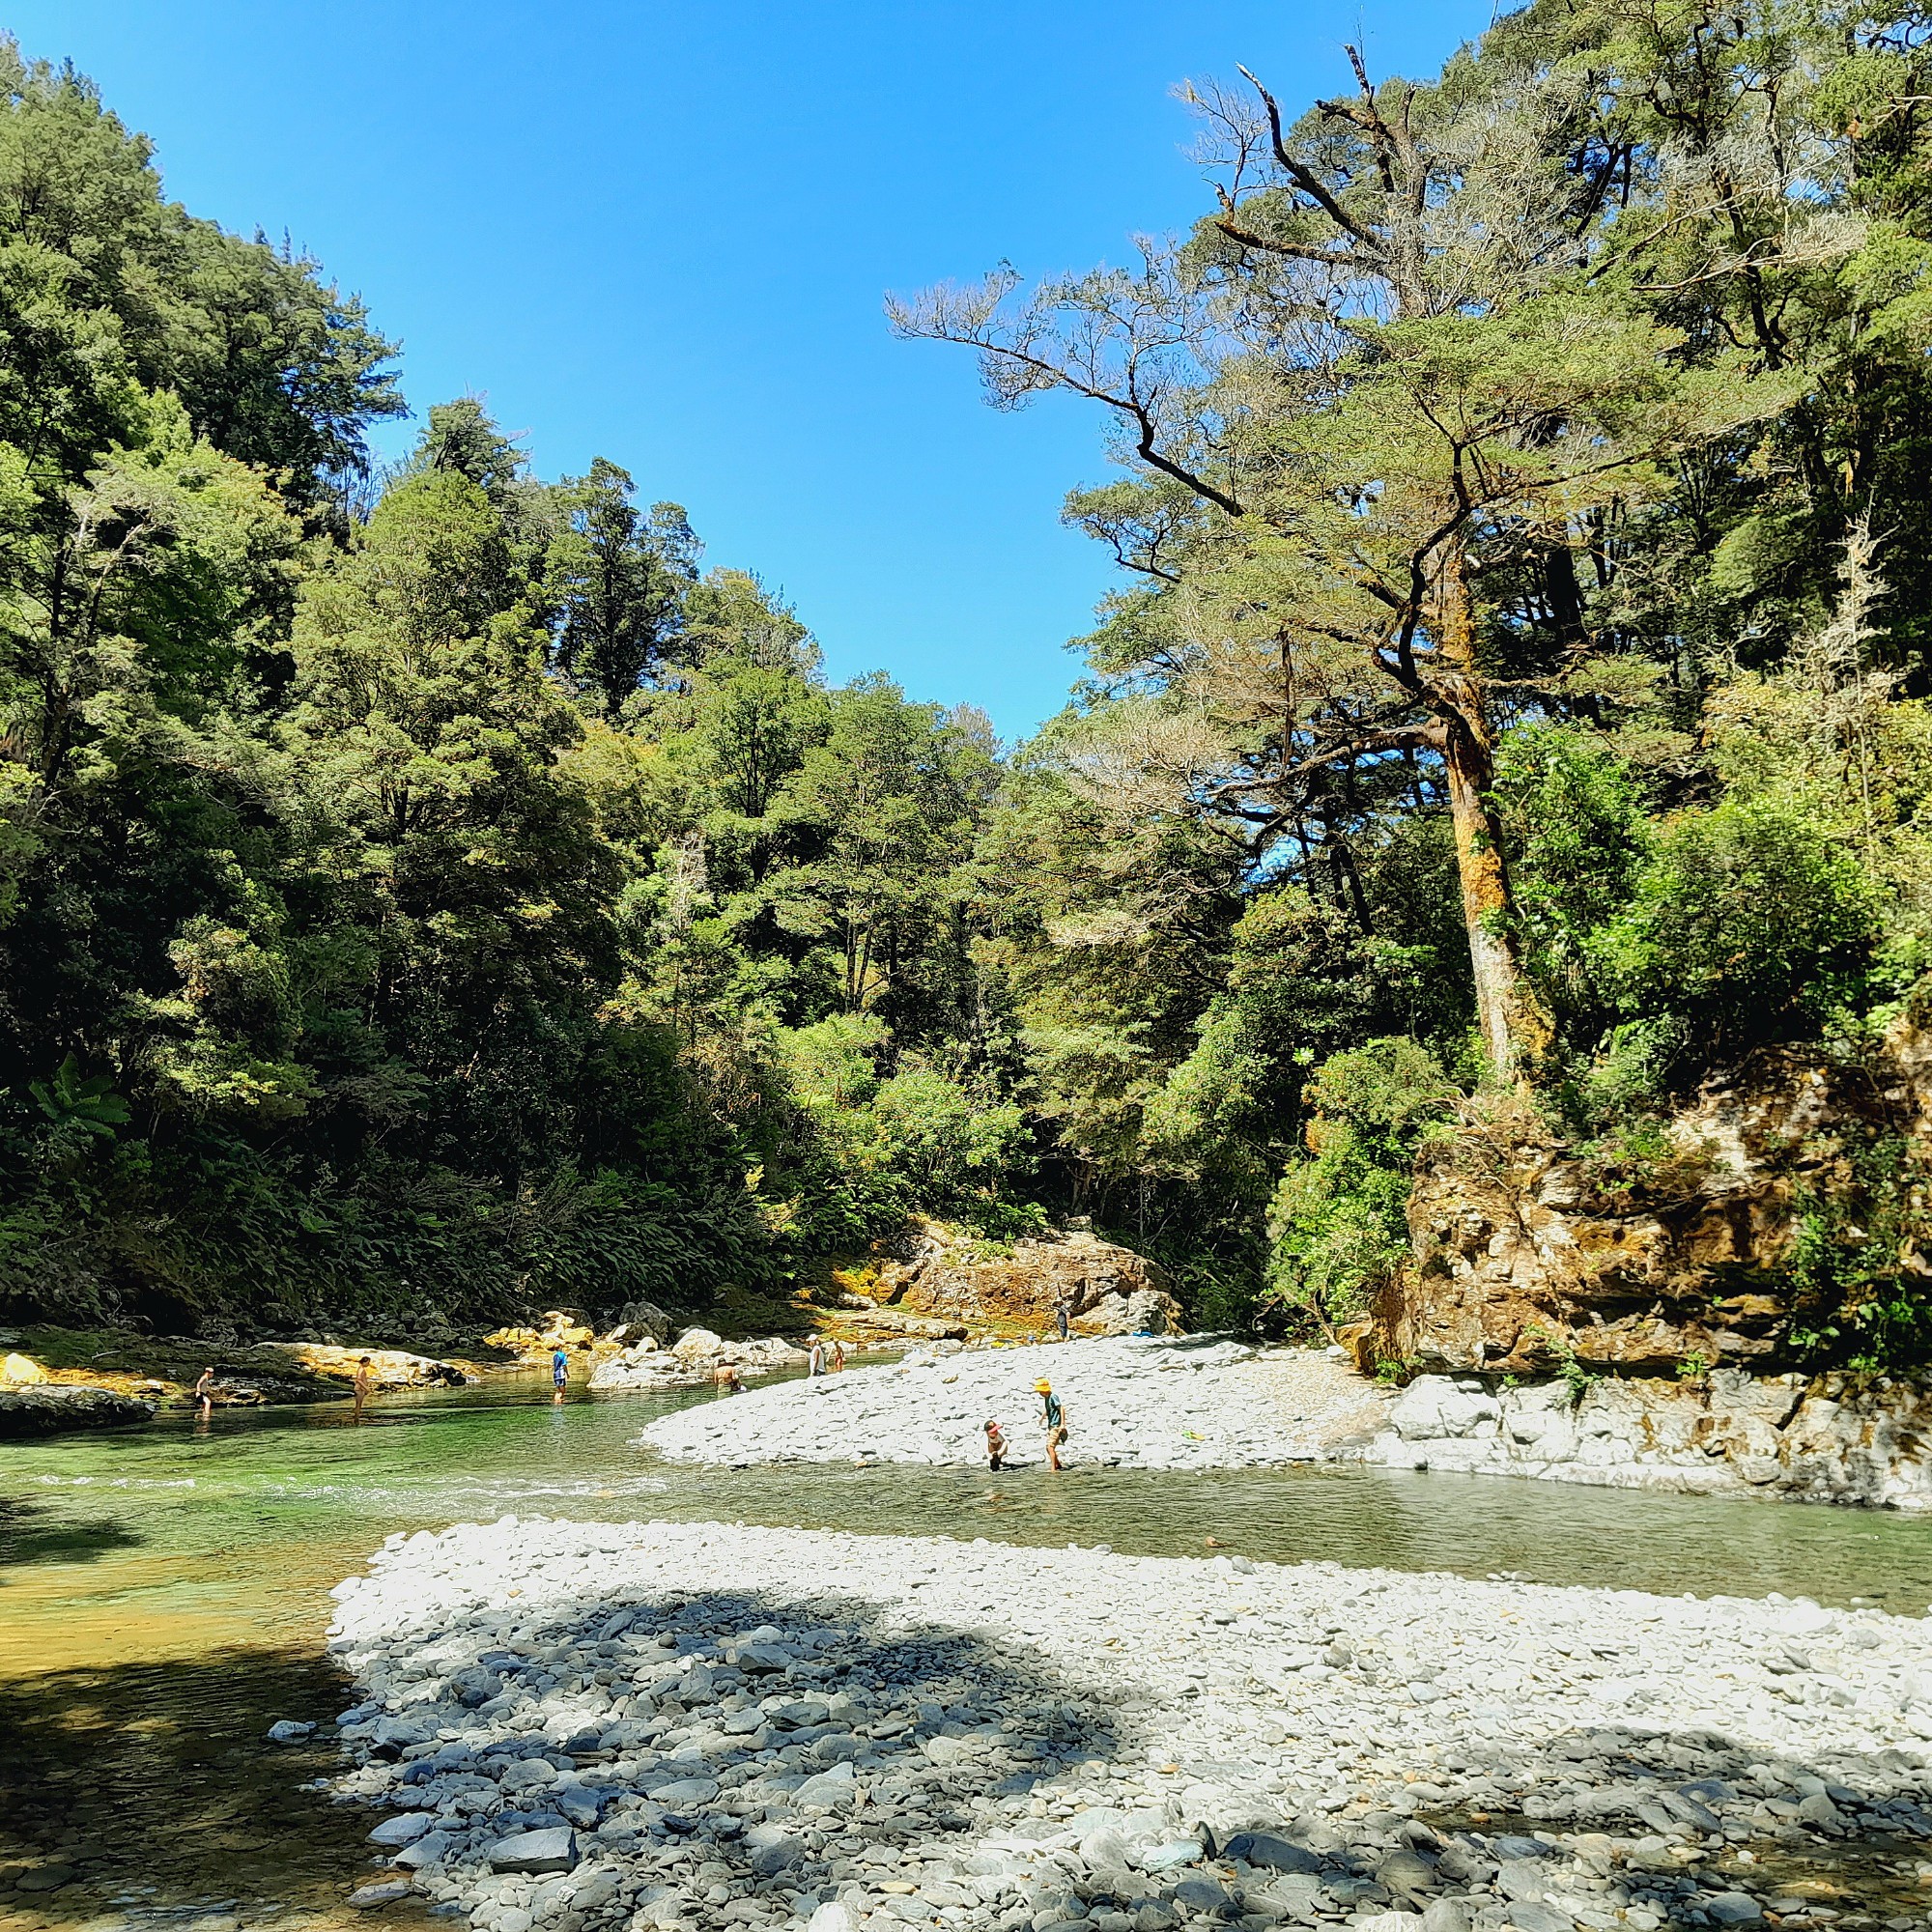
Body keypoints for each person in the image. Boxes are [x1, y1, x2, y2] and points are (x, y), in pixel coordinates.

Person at [1036, 1378, 1066, 1471]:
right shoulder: (1047, 1398)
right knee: (1048, 1447)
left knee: (1050, 1447)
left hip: (1056, 1426)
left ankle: (1053, 1469)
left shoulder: (1053, 1396)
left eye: (1040, 1391)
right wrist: (1043, 1416)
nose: (1039, 1393)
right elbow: (1049, 1409)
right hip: (1051, 1426)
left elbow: (1061, 1408)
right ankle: (1058, 1465)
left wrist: (1062, 1424)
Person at [352, 1356, 374, 1422]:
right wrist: (365, 1387)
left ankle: (356, 1418)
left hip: (361, 1389)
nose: (368, 1364)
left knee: (359, 1405)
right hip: (359, 1389)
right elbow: (358, 1380)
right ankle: (356, 1419)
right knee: (358, 1405)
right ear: (364, 1362)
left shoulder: (361, 1369)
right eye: (368, 1362)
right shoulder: (361, 1369)